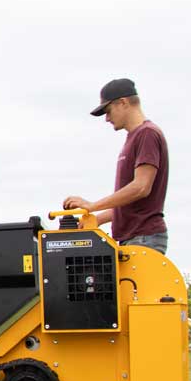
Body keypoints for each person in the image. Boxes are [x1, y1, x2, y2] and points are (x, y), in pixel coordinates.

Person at [62, 78, 169, 253]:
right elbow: (134, 204)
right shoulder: (134, 137)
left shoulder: (147, 134)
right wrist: (98, 219)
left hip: (144, 238)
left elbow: (141, 187)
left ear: (123, 102)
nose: (107, 118)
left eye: (108, 111)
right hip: (135, 237)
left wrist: (92, 205)